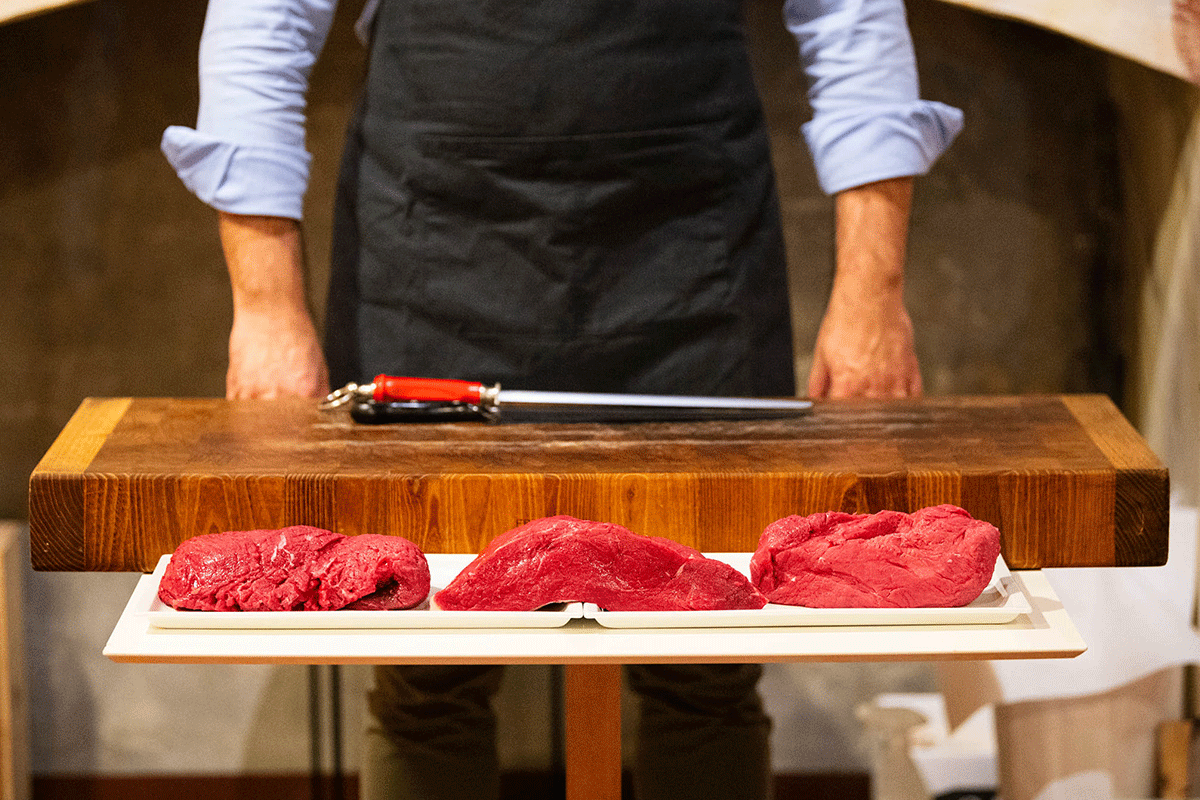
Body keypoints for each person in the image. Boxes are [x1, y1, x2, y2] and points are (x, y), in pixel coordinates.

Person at [162, 1, 962, 798]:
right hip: (432, 238)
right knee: (423, 670)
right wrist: (266, 307)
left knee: (708, 663)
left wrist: (873, 291)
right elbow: (261, 21)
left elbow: (851, 18)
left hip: (689, 241)